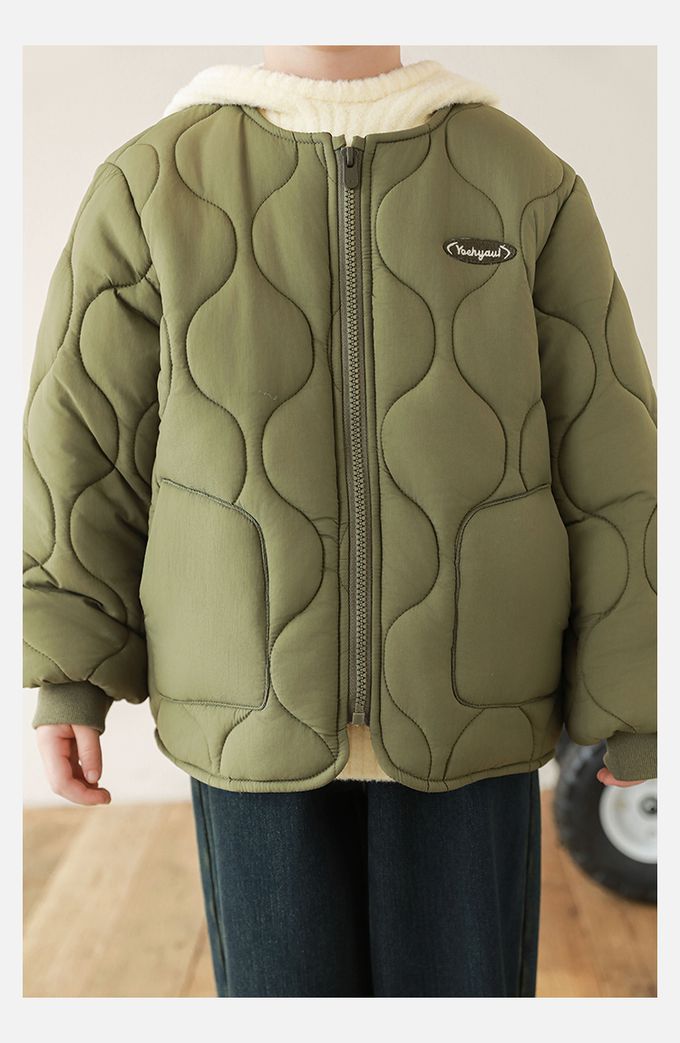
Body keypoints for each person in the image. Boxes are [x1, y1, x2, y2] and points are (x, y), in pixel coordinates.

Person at [23, 45, 657, 997]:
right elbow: (84, 448)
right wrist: (72, 672)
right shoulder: (154, 182)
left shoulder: (524, 178)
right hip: (245, 712)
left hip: (476, 704)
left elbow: (610, 451)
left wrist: (638, 698)